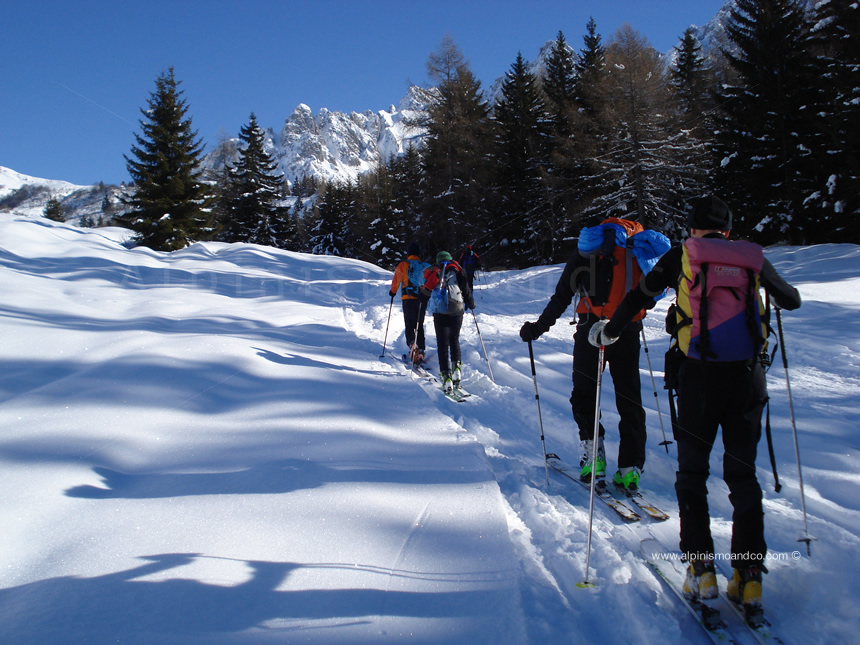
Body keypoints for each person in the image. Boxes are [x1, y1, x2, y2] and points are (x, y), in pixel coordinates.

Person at [592, 195, 802, 621]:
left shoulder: (682, 257)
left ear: (692, 228)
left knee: (692, 474)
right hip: (747, 378)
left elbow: (638, 298)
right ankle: (748, 574)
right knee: (743, 477)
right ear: (727, 228)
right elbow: (791, 300)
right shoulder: (751, 258)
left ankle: (701, 569)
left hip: (698, 379)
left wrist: (610, 332)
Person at [519, 217, 670, 492]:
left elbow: (563, 295)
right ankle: (630, 468)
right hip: (628, 329)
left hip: (590, 328)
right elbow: (653, 294)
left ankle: (593, 458)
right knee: (629, 397)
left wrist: (538, 328)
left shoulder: (588, 249)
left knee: (585, 392)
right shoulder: (639, 249)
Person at [421, 251, 475, 392]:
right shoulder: (458, 270)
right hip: (457, 309)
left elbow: (427, 290)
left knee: (442, 343)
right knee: (454, 340)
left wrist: (422, 296)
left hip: (441, 311)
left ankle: (446, 377)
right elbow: (466, 289)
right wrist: (471, 303)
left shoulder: (436, 271)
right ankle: (457, 369)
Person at [389, 242, 430, 364]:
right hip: (422, 299)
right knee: (419, 324)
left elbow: (396, 280)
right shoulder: (425, 266)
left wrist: (392, 292)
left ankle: (412, 344)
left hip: (408, 299)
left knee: (409, 323)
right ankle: (421, 349)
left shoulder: (403, 265)